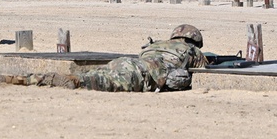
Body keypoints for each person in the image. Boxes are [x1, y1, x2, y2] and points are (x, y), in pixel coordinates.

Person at [12, 24, 208, 92]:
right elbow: (205, 71)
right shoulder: (192, 51)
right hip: (146, 73)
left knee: (98, 73)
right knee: (97, 82)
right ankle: (68, 81)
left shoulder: (156, 44)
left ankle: (30, 78)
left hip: (127, 61)